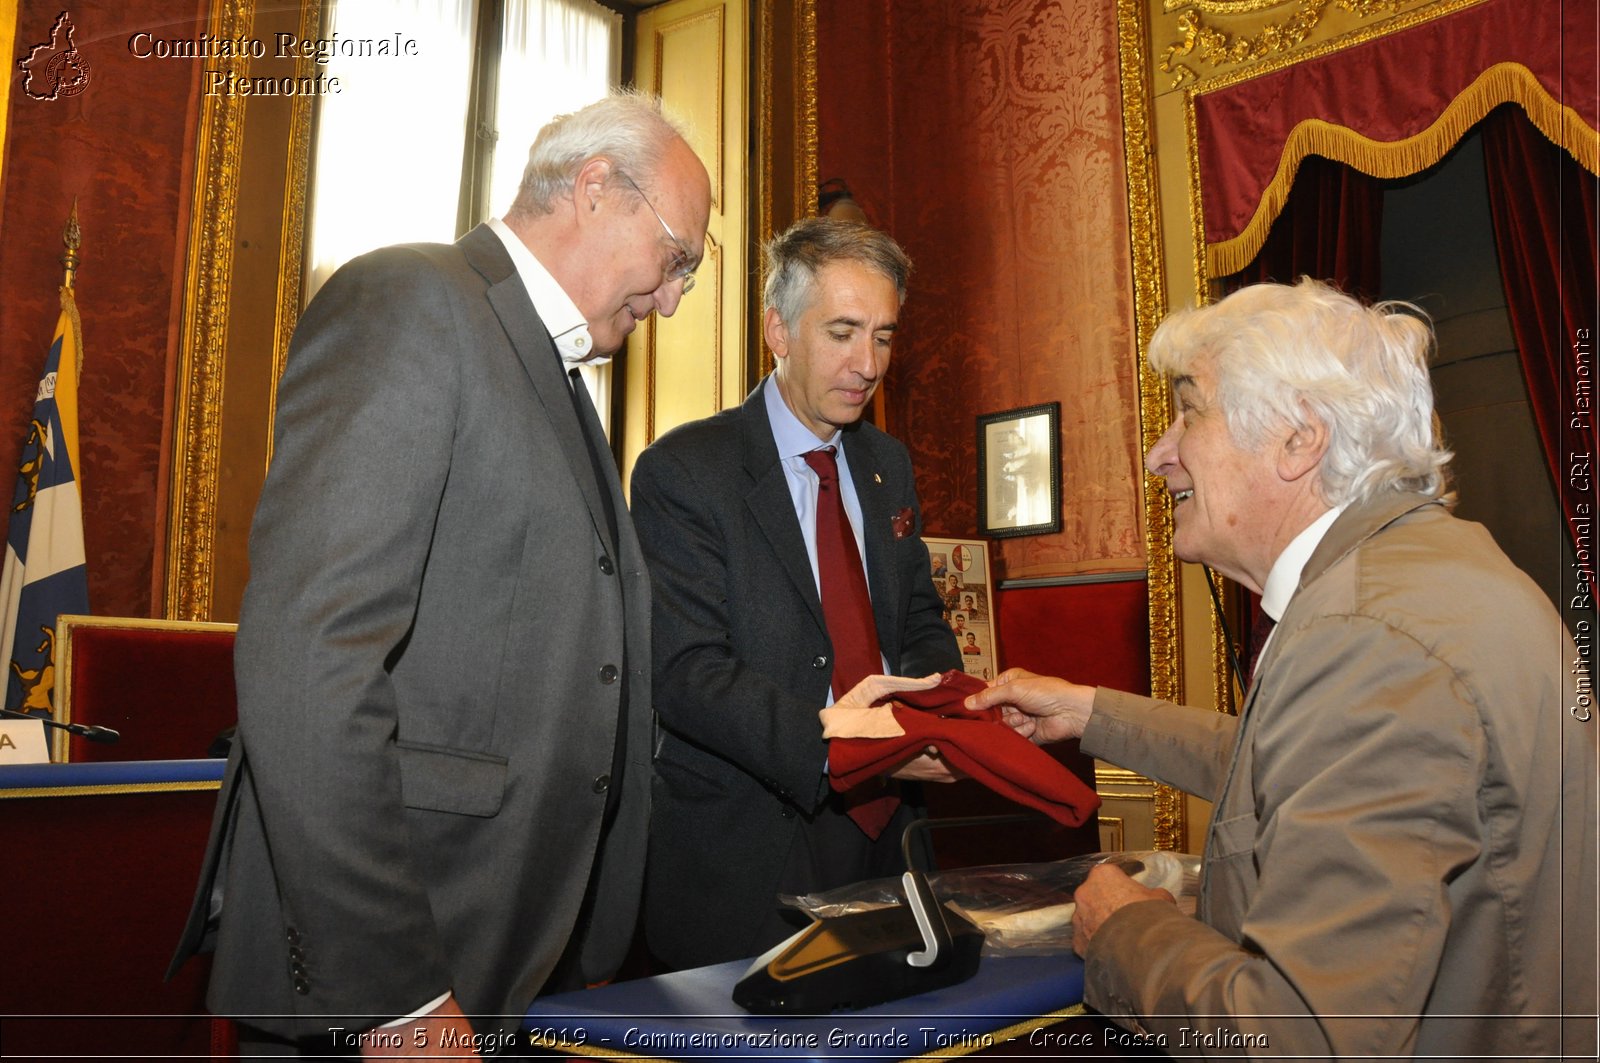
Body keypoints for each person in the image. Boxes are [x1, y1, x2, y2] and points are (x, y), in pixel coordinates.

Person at [169, 91, 711, 1056]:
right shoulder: (412, 301)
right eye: (676, 259)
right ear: (594, 189)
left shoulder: (553, 372)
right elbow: (311, 658)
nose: (672, 299)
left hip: (500, 943)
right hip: (393, 961)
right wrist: (396, 995)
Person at [968, 278, 1598, 1059]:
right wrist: (1092, 711)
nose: (1162, 453)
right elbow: (1295, 764)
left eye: (1190, 410)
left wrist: (1127, 929)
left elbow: (1299, 1036)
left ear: (1300, 438)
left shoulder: (1366, 637)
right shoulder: (1440, 571)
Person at [630, 218, 960, 969]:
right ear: (777, 328)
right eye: (843, 332)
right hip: (747, 853)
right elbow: (685, 672)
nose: (867, 362)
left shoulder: (888, 465)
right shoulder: (685, 470)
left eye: (883, 336)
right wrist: (843, 745)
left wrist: (943, 716)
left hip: (890, 844)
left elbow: (917, 622)